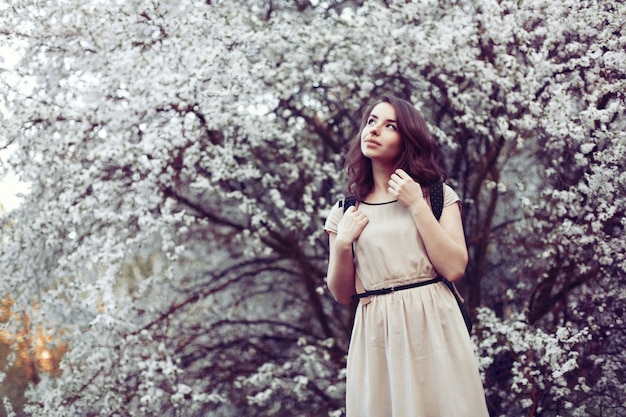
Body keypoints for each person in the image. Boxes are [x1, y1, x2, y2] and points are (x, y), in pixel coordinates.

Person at [324, 95, 489, 416]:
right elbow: (341, 294)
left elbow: (454, 267)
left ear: (407, 140)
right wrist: (342, 243)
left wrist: (416, 204)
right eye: (371, 121)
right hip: (377, 331)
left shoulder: (438, 195)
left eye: (390, 126)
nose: (374, 130)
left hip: (434, 323)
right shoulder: (345, 210)